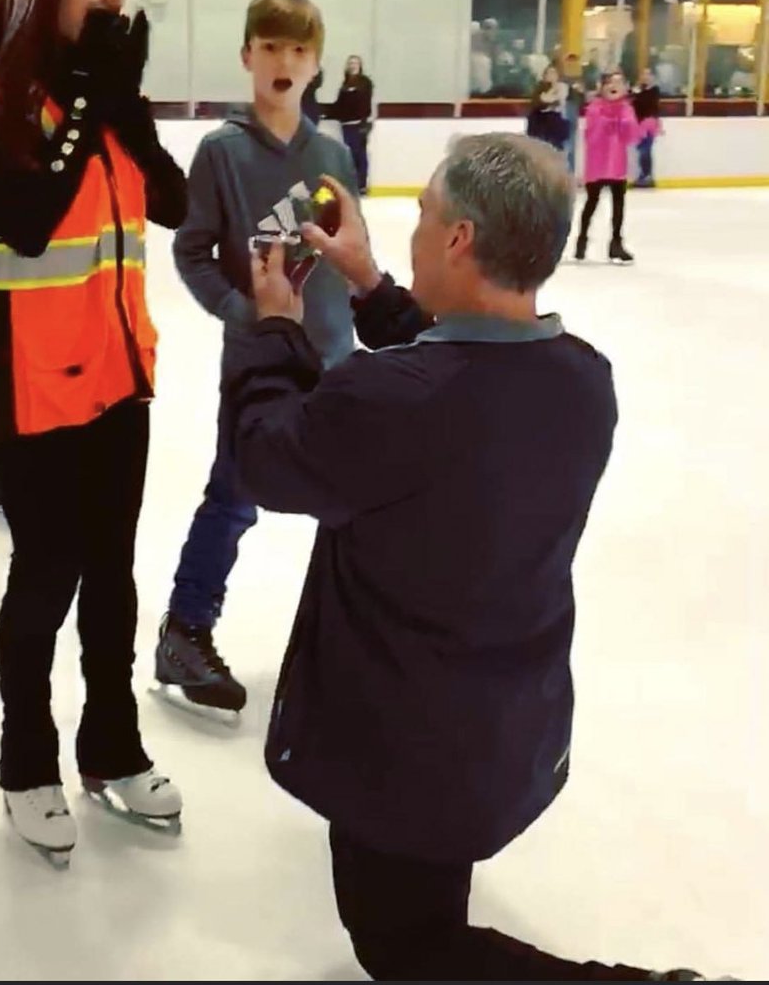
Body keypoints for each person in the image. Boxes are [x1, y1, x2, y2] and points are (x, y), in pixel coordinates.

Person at [226, 139, 727, 983]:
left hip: (399, 743)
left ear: (458, 240)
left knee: (410, 946)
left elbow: (268, 455)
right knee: (428, 901)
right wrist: (373, 287)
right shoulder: (582, 381)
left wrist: (275, 323)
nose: (413, 229)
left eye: (423, 214)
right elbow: (461, 380)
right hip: (496, 724)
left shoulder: (392, 405)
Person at [0, 0, 187, 863]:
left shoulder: (104, 93)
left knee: (113, 577)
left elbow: (172, 202)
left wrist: (118, 102)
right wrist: (86, 102)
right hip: (32, 390)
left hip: (120, 379)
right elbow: (18, 220)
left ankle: (110, 747)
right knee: (47, 578)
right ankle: (25, 759)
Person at [155, 0, 359, 717]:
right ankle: (185, 632)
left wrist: (357, 328)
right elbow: (191, 250)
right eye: (271, 47)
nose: (285, 61)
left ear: (317, 66)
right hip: (256, 361)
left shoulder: (333, 154)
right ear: (247, 57)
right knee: (234, 497)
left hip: (334, 358)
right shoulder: (222, 153)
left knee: (352, 508)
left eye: (299, 50)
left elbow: (345, 250)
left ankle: (347, 644)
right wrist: (244, 315)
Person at [575, 71, 640, 265]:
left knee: (618, 205)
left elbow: (632, 136)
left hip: (617, 165)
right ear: (602, 87)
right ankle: (582, 240)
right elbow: (592, 134)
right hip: (598, 164)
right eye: (610, 83)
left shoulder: (626, 109)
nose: (614, 86)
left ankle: (616, 243)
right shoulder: (595, 108)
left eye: (619, 83)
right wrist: (612, 121)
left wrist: (623, 122)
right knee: (591, 203)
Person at [332, 54, 373, 195]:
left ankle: (362, 184)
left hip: (359, 125)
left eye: (355, 63)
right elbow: (339, 106)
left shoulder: (365, 83)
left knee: (360, 155)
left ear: (360, 65)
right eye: (350, 63)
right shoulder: (345, 84)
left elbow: (366, 104)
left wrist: (364, 124)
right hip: (346, 125)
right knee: (350, 156)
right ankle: (352, 183)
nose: (352, 65)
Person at [526, 62, 569, 151]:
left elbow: (563, 104)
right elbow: (539, 103)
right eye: (548, 73)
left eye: (554, 73)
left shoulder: (564, 88)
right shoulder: (539, 89)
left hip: (556, 127)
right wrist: (550, 95)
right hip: (540, 127)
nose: (551, 75)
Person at [632, 67, 662, 187]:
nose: (645, 76)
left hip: (649, 124)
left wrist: (638, 92)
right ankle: (644, 175)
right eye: (643, 74)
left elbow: (646, 103)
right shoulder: (638, 91)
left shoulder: (654, 90)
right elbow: (634, 105)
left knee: (645, 150)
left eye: (648, 74)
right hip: (638, 125)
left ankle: (647, 176)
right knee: (641, 151)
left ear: (652, 77)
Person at [561, 52, 587, 176]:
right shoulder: (561, 80)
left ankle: (569, 173)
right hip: (562, 112)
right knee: (564, 145)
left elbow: (582, 101)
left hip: (572, 111)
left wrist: (581, 93)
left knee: (571, 145)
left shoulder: (580, 80)